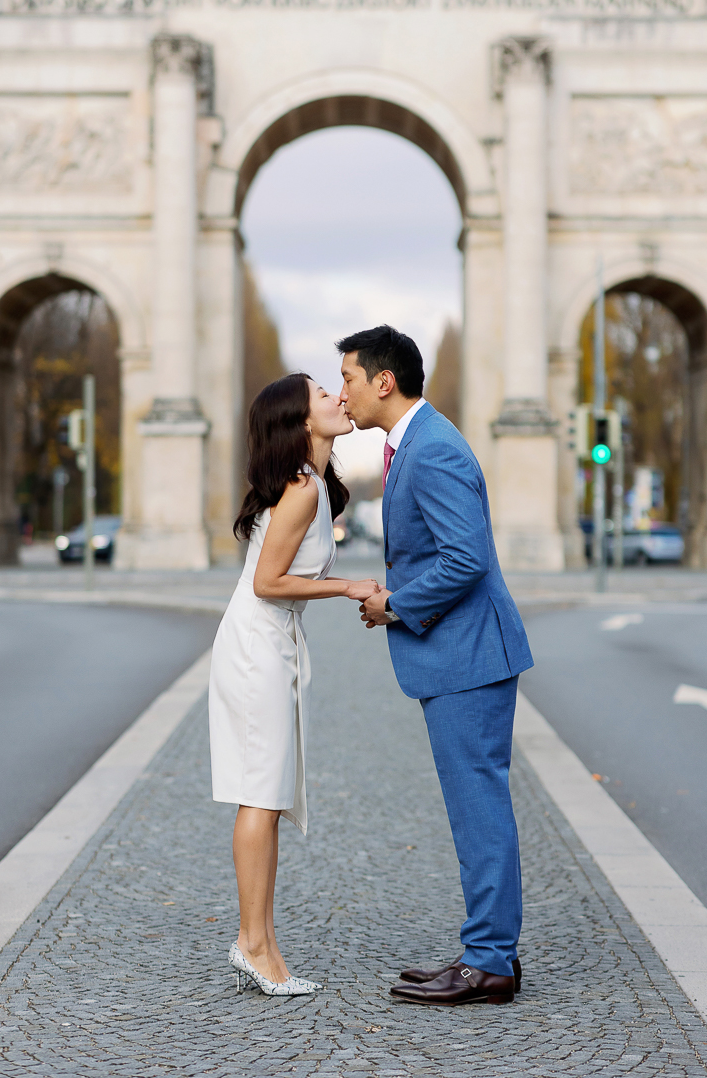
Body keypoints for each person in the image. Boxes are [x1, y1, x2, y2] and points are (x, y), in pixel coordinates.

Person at [337, 325, 533, 1007]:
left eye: (349, 379)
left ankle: (488, 964)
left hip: (468, 655)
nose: (343, 393)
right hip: (463, 653)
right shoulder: (418, 443)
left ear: (383, 381)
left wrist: (394, 604)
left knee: (478, 807)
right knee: (475, 804)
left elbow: (464, 559)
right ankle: (490, 949)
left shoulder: (432, 451)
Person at [208, 372, 380, 997]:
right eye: (322, 395)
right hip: (257, 644)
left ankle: (260, 940)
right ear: (301, 421)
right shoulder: (303, 491)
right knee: (261, 794)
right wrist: (348, 586)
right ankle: (253, 944)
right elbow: (267, 582)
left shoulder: (316, 488)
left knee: (268, 796)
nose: (338, 397)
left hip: (268, 642)